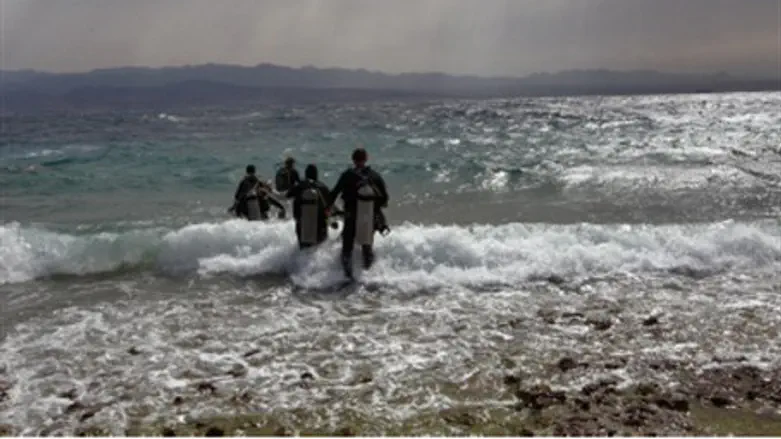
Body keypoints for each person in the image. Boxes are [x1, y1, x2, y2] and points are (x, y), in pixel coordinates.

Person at [328, 147, 389, 279]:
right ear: (366, 159)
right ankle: (368, 278)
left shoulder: (347, 175)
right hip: (369, 217)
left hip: (351, 215)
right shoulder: (375, 176)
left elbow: (334, 193)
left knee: (347, 248)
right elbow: (384, 200)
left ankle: (347, 277)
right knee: (367, 246)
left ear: (353, 159)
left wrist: (327, 208)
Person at [286, 164, 332, 249]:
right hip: (320, 224)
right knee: (319, 247)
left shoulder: (300, 186)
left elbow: (288, 195)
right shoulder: (323, 187)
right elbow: (330, 203)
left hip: (302, 223)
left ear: (306, 174)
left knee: (303, 247)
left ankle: (299, 261)